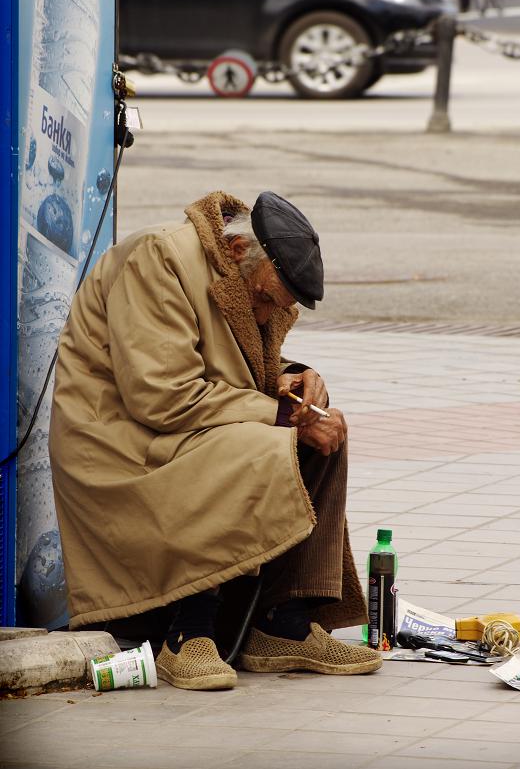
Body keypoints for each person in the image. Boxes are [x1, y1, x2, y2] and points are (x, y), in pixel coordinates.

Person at [49, 190, 381, 691]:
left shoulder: (241, 271)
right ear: (237, 252)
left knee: (321, 429)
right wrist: (278, 412)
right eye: (267, 299)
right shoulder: (158, 258)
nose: (268, 315)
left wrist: (295, 381)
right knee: (261, 445)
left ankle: (282, 623)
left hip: (172, 429)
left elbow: (230, 369)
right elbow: (162, 397)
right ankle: (188, 633)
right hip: (115, 444)